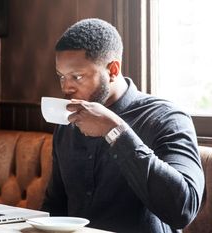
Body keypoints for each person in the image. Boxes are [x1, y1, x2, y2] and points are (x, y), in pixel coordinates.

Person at [41, 18, 205, 233]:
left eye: (77, 76)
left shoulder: (167, 118)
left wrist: (114, 130)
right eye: (61, 76)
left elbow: (183, 210)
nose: (66, 88)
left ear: (113, 70)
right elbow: (55, 206)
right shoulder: (67, 124)